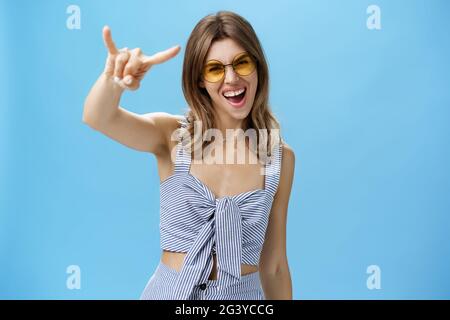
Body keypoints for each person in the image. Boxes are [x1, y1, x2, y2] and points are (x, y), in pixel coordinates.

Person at [83, 10, 295, 300]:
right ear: (199, 80)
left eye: (242, 63)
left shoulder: (280, 159)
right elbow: (99, 117)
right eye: (215, 69)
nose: (231, 78)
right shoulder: (171, 137)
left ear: (257, 67)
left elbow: (275, 267)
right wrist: (113, 80)